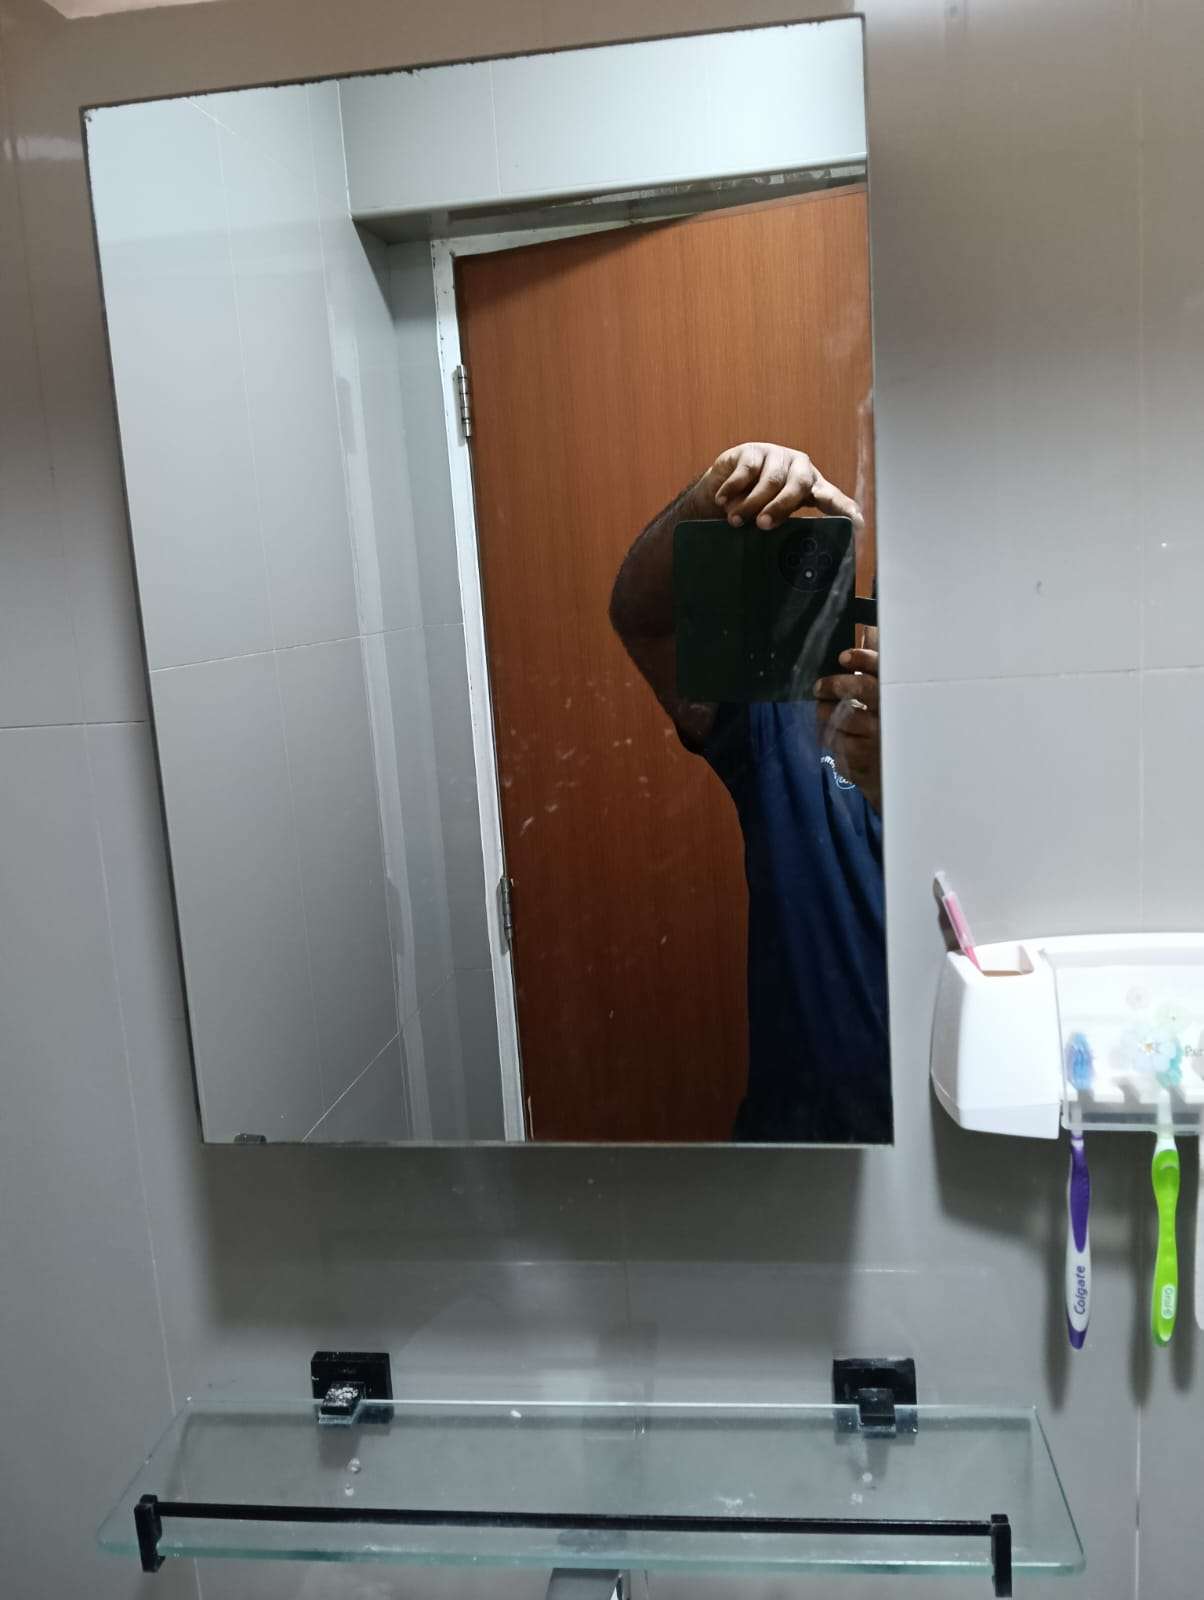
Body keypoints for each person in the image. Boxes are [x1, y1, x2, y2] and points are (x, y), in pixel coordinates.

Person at [609, 442, 890, 1143]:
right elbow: (644, 620)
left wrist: (906, 783)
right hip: (797, 1154)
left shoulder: (1000, 771)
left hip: (961, 1156)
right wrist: (709, 500)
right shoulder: (784, 712)